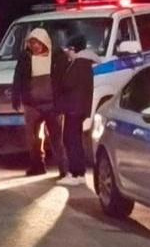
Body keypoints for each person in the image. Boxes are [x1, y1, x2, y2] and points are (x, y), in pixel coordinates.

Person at [14, 25, 57, 177]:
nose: (35, 46)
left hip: (52, 105)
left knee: (56, 137)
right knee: (33, 138)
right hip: (31, 104)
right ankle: (37, 165)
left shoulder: (54, 58)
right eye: (32, 43)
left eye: (37, 43)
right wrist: (16, 98)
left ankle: (65, 169)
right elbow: (18, 78)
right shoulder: (25, 58)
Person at [54, 38, 97, 179]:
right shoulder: (84, 63)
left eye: (69, 50)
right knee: (75, 139)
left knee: (71, 139)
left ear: (75, 49)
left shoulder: (79, 63)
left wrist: (61, 67)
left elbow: (67, 83)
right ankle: (78, 172)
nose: (68, 53)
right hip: (78, 108)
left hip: (74, 108)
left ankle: (76, 172)